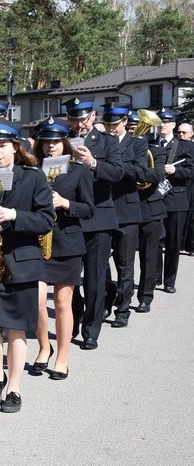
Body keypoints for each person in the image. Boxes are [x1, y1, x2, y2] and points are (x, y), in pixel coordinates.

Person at [0, 118, 54, 412]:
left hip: (23, 264)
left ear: (15, 148)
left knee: (16, 330)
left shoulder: (33, 178)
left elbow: (46, 220)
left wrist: (14, 214)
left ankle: (14, 388)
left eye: (2, 146)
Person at [31, 118, 94, 380]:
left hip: (67, 244)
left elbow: (89, 210)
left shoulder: (79, 171)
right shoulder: (33, 170)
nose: (50, 147)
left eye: (56, 142)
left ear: (65, 143)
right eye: (46, 142)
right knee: (36, 301)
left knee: (61, 303)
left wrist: (66, 203)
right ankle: (44, 347)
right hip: (37, 243)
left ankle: (62, 358)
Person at [63, 97, 123, 350]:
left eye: (84, 118)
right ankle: (72, 321)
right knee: (69, 280)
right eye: (74, 119)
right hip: (69, 217)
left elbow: (118, 173)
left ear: (94, 116)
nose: (80, 124)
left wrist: (93, 163)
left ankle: (91, 329)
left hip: (98, 218)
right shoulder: (60, 140)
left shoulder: (107, 141)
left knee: (95, 279)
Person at [101, 104, 147, 328]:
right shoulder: (100, 142)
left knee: (125, 264)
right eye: (108, 123)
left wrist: (116, 167)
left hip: (127, 212)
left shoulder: (138, 143)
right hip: (103, 209)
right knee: (101, 264)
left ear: (124, 123)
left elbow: (142, 172)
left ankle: (123, 309)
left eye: (114, 124)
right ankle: (106, 302)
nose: (111, 128)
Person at [155, 108, 194, 294]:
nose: (162, 124)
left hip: (175, 199)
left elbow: (192, 171)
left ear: (173, 124)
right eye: (160, 121)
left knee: (172, 243)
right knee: (153, 241)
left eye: (166, 121)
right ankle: (155, 276)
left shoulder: (185, 147)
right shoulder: (149, 144)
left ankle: (169, 280)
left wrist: (175, 171)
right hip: (153, 198)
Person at [136, 125, 167, 313]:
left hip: (150, 208)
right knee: (121, 258)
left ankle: (145, 297)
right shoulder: (120, 151)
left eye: (136, 127)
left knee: (149, 256)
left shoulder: (156, 151)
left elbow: (158, 175)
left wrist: (132, 171)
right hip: (126, 209)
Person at [176, 122, 194, 255]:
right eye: (179, 132)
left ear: (191, 134)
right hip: (184, 185)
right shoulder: (175, 146)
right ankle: (181, 242)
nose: (181, 135)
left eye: (184, 132)